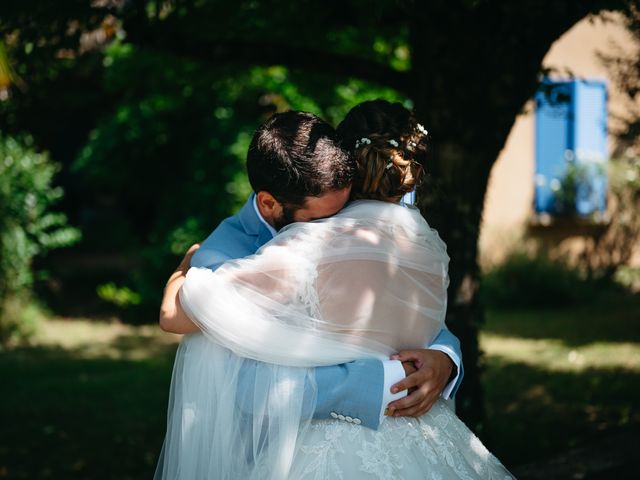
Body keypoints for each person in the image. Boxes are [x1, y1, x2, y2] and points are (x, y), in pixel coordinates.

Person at [155, 102, 513, 479]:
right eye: (318, 218)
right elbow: (243, 383)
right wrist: (380, 381)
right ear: (269, 203)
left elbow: (410, 318)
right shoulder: (227, 250)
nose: (331, 223)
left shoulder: (378, 239)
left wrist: (445, 358)